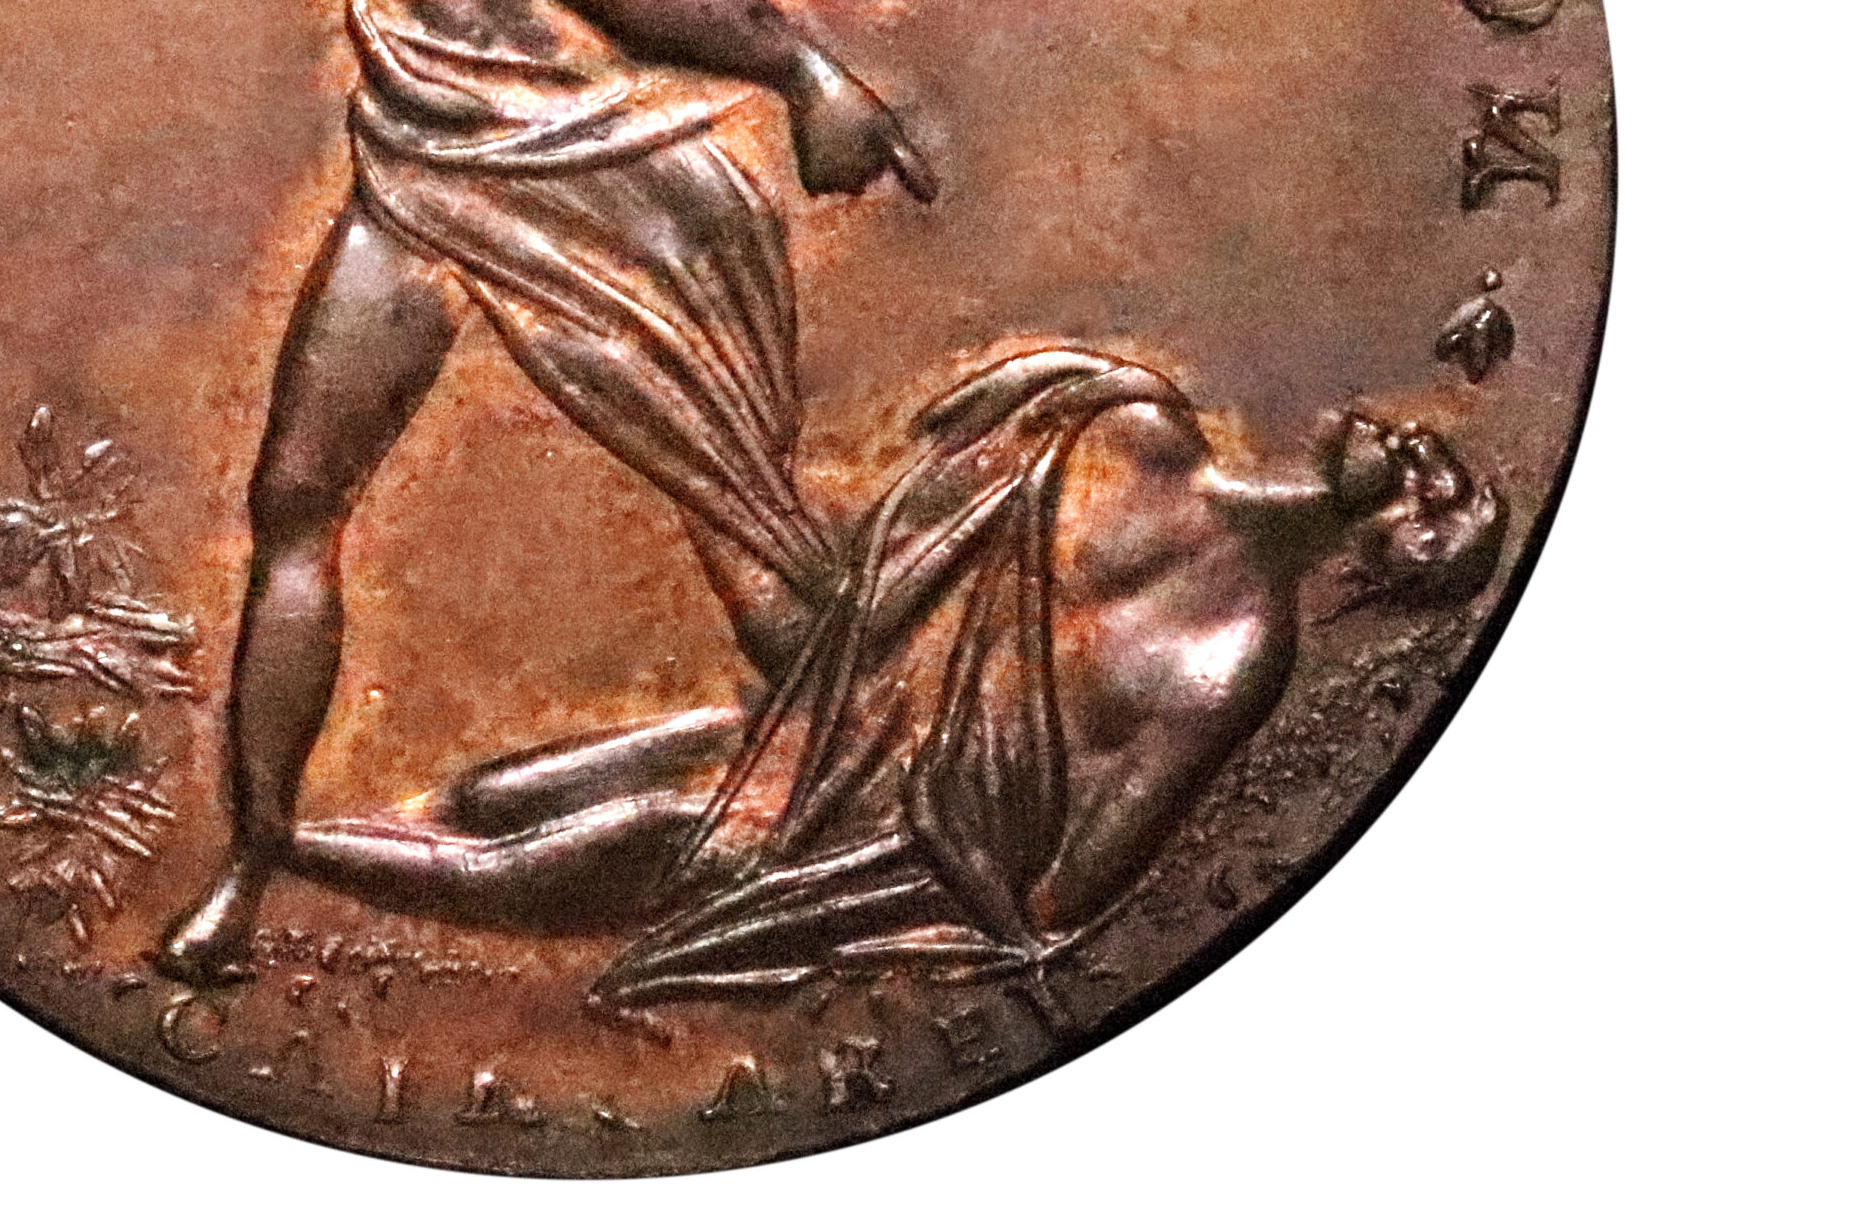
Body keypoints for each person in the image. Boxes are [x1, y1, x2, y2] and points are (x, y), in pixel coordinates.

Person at [159, 0, 1030, 984]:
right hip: (449, 161)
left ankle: (925, 819)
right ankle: (252, 870)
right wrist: (803, 71)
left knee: (757, 540)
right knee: (295, 500)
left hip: (661, 179)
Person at [245, 349, 1506, 1008]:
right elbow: (883, 520)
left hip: (861, 829)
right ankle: (275, 838)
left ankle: (268, 841)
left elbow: (1073, 885)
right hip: (805, 704)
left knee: (609, 841)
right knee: (495, 792)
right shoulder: (1122, 420)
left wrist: (950, 807)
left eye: (1428, 490)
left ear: (1389, 547)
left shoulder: (1232, 657)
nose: (1415, 447)